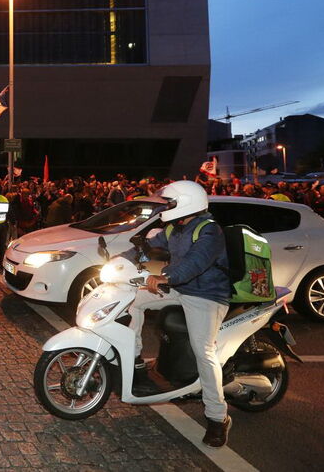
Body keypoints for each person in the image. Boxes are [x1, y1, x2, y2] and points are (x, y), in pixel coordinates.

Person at [129, 180, 232, 448]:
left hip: (206, 294)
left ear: (186, 204)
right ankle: (135, 362)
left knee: (204, 351)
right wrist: (130, 250)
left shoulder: (210, 232)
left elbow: (195, 263)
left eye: (170, 203)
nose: (166, 208)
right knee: (132, 301)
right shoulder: (176, 226)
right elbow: (152, 243)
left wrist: (166, 276)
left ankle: (217, 418)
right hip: (178, 287)